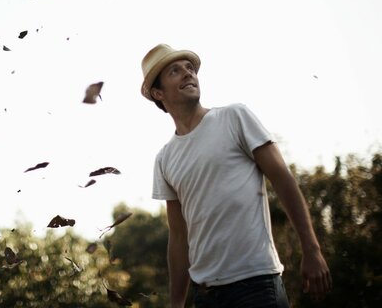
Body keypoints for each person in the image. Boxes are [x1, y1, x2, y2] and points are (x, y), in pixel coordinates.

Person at [140, 44, 332, 308]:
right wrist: (176, 303)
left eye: (190, 69)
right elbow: (178, 236)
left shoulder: (234, 117)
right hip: (205, 293)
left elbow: (282, 179)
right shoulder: (164, 159)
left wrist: (312, 249)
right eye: (175, 71)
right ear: (158, 92)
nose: (188, 74)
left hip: (257, 282)